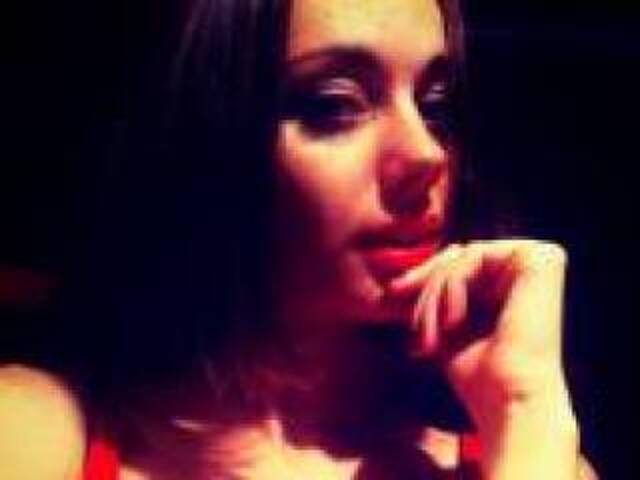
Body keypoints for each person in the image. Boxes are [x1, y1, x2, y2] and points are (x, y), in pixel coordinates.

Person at [0, 0, 598, 478]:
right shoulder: (28, 435)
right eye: (334, 105)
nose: (426, 154)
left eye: (434, 107)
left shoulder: (530, 456)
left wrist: (525, 407)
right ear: (201, 140)